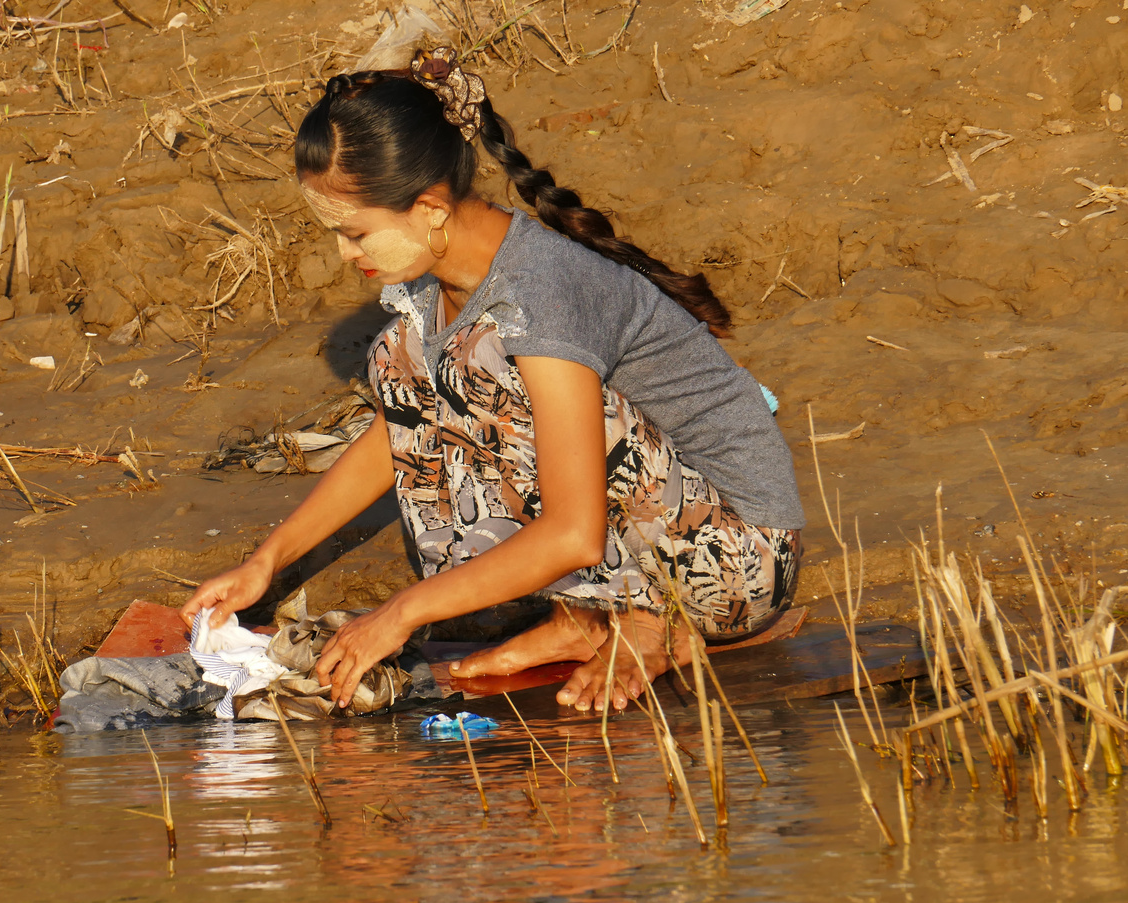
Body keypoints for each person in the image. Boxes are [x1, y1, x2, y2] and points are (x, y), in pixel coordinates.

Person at [181, 48, 804, 714]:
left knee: (483, 365)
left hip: (735, 563)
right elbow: (400, 431)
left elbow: (573, 534)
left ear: (428, 209)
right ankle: (584, 616)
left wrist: (400, 614)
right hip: (648, 535)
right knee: (402, 356)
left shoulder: (538, 297)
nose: (344, 254)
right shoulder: (432, 291)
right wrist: (265, 562)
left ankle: (646, 620)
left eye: (355, 233)